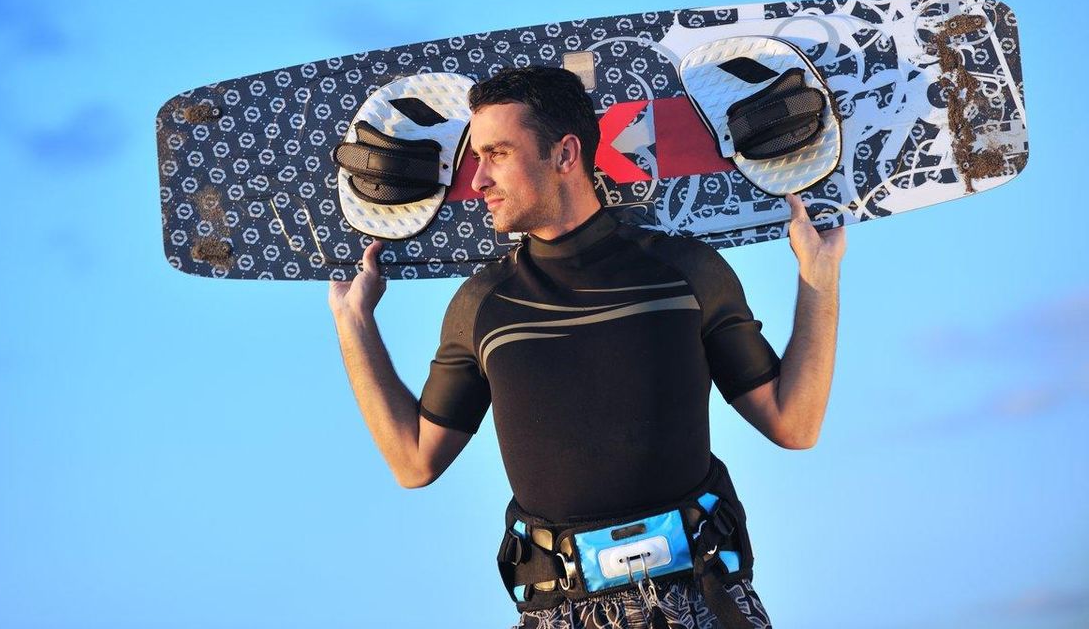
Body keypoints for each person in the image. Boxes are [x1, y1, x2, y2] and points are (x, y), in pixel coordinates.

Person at [328, 66, 846, 628]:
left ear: (565, 154)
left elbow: (794, 423)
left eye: (497, 154)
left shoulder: (687, 272)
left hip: (702, 602)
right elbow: (413, 460)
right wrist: (353, 321)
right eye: (475, 158)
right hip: (561, 614)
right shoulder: (480, 305)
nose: (476, 182)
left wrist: (819, 277)